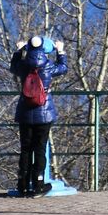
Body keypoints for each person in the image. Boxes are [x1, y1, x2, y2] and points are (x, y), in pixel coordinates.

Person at [10, 34, 69, 198]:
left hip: (25, 113)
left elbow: (13, 66)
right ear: (44, 49)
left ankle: (22, 185)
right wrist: (60, 51)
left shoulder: (23, 65)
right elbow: (63, 68)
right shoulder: (48, 66)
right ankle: (38, 185)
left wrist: (19, 50)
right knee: (40, 148)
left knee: (26, 149)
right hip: (44, 113)